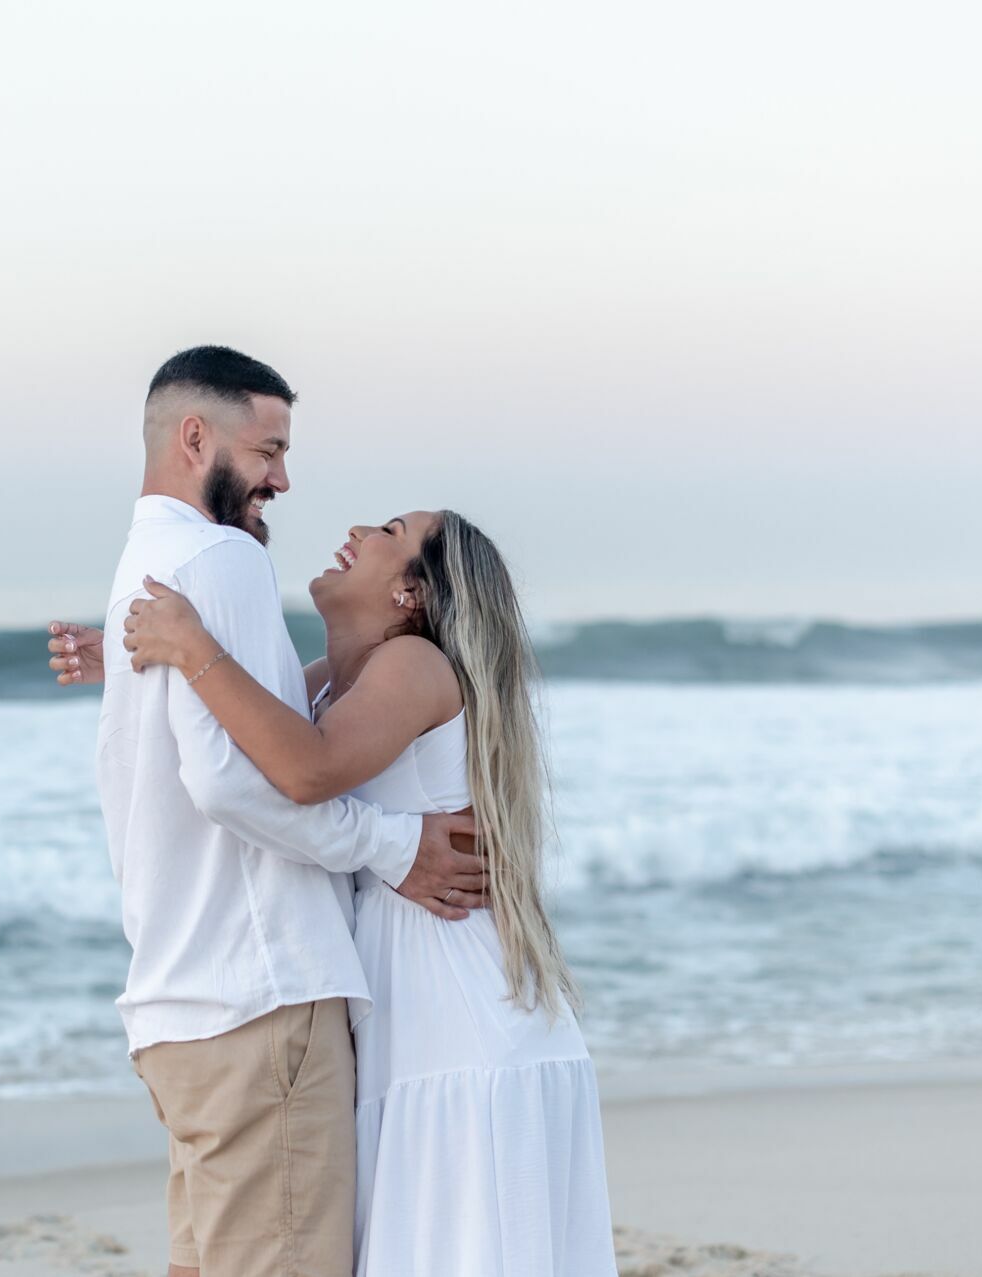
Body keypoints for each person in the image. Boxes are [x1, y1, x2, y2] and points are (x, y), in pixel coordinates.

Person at [74, 506, 619, 1275]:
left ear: (411, 594)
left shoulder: (414, 664)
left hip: (458, 1017)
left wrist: (191, 645)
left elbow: (308, 770)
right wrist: (137, 660)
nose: (360, 530)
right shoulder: (334, 679)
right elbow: (246, 736)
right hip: (412, 1008)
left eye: (390, 532)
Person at [51, 346, 486, 1277]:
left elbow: (233, 741)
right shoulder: (224, 559)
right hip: (261, 997)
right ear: (194, 437)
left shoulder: (143, 562)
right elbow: (234, 783)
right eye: (269, 451)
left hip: (176, 1005)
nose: (282, 481)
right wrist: (393, 845)